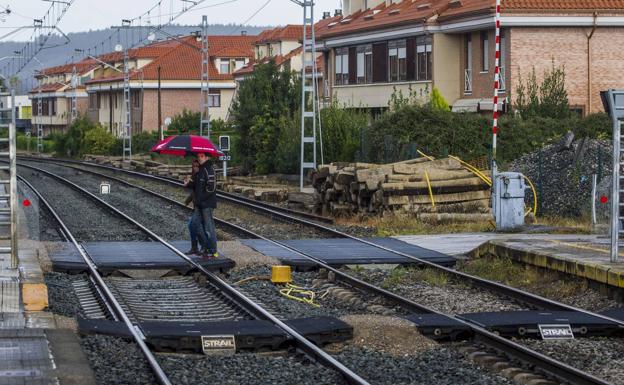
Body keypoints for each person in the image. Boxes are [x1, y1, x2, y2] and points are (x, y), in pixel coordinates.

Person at [188, 152, 218, 258]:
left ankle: (213, 249)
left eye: (201, 156)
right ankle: (205, 246)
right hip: (199, 204)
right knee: (193, 225)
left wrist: (200, 200)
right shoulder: (200, 170)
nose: (199, 158)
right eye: (198, 156)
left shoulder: (209, 169)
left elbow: (211, 189)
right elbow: (196, 186)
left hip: (207, 204)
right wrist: (189, 183)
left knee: (209, 227)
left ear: (206, 157)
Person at [183, 159, 202, 255]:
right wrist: (187, 201)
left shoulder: (201, 177)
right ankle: (195, 248)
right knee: (193, 226)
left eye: (197, 166)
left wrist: (188, 183)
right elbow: (193, 192)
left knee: (194, 226)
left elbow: (198, 191)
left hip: (201, 207)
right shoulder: (195, 177)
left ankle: (202, 248)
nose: (195, 168)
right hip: (196, 206)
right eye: (193, 166)